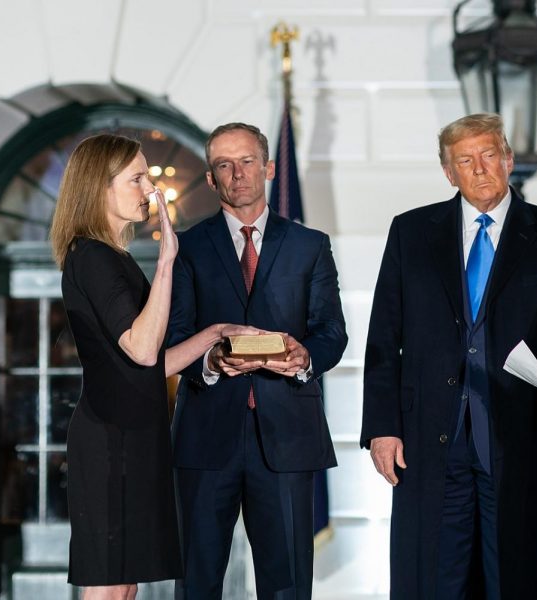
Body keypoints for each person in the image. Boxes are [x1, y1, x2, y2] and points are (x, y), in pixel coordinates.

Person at [361, 113, 537, 599]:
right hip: (429, 441)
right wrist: (382, 427)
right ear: (449, 173)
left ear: (508, 160)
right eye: (465, 160)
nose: (480, 168)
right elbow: (384, 337)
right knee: (436, 578)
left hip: (521, 438)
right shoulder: (410, 233)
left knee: (515, 575)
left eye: (489, 155)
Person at [50, 134, 256, 599]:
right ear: (99, 187)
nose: (150, 189)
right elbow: (142, 351)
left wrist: (215, 334)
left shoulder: (111, 257)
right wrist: (166, 261)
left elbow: (151, 364)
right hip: (110, 441)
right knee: (110, 585)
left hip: (134, 436)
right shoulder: (93, 256)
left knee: (125, 585)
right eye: (137, 178)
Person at [167, 122, 347, 599]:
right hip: (206, 439)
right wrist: (211, 363)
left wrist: (305, 356)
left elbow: (332, 332)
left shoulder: (310, 244)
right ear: (211, 179)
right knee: (198, 583)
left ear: (268, 168)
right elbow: (175, 336)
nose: (237, 174)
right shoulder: (186, 248)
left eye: (247, 161)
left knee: (286, 586)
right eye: (224, 164)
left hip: (287, 436)